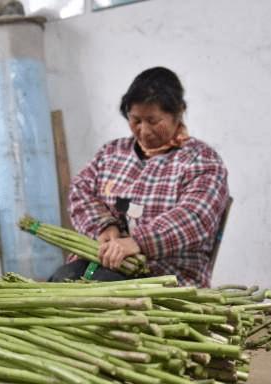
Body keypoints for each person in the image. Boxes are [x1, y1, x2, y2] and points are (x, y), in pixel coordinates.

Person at [49, 67, 229, 287]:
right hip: (102, 263)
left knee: (100, 289)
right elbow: (80, 190)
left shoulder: (201, 160)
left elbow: (195, 216)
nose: (144, 130)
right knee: (60, 280)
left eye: (153, 121)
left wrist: (138, 242)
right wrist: (105, 227)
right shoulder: (112, 153)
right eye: (135, 120)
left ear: (178, 112)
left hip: (165, 276)